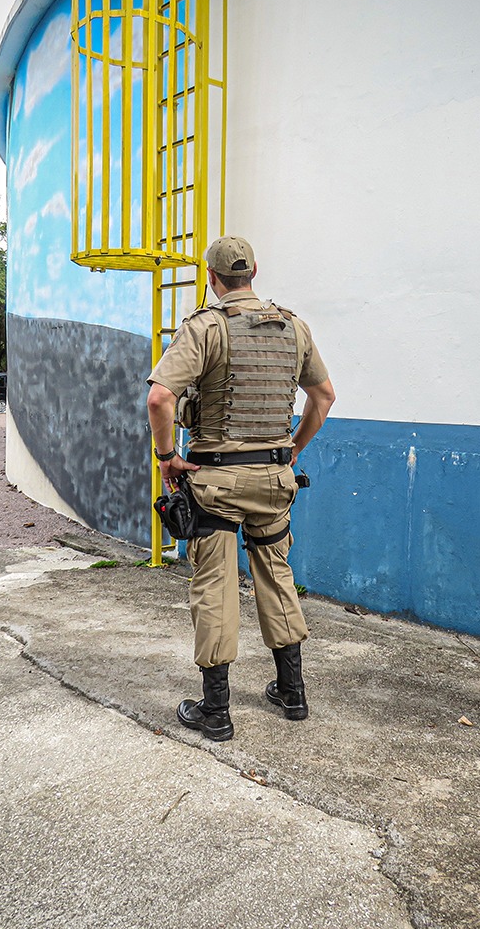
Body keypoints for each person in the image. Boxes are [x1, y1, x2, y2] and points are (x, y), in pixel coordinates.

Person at [146, 236, 336, 742]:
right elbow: (324, 396)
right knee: (276, 572)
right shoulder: (293, 327)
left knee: (214, 586)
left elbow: (160, 399)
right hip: (275, 480)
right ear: (254, 270)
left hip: (217, 484)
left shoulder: (206, 328)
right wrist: (293, 449)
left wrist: (167, 457)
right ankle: (292, 692)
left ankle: (217, 710)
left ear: (211, 278)